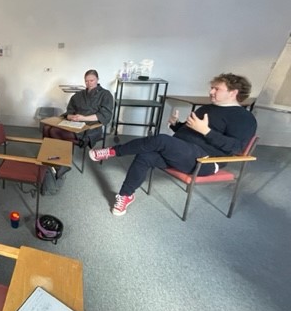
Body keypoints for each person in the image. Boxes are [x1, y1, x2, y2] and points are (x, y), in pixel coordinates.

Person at [89, 73, 257, 217]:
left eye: (217, 89)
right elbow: (190, 131)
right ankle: (126, 195)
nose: (211, 91)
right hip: (182, 153)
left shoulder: (244, 118)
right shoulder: (207, 108)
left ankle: (112, 151)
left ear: (233, 93)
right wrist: (176, 125)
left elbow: (236, 148)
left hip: (205, 161)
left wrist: (206, 131)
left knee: (162, 140)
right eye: (212, 88)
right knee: (145, 155)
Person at [43, 69, 113, 178]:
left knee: (55, 132)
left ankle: (62, 162)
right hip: (74, 123)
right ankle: (50, 159)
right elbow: (69, 111)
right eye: (86, 81)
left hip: (90, 127)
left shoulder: (105, 94)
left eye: (92, 80)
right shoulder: (79, 95)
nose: (89, 83)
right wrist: (71, 116)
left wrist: (83, 118)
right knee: (47, 128)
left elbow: (105, 115)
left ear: (97, 79)